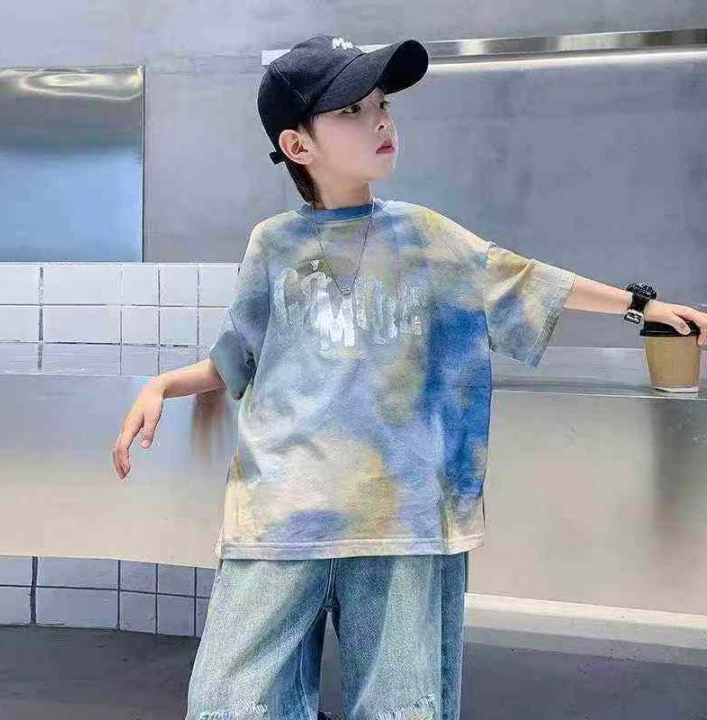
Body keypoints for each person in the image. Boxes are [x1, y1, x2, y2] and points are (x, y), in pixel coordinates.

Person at [112, 34, 707, 720]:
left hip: (404, 520)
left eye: (381, 104)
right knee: (229, 703)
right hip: (282, 513)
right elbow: (238, 356)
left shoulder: (426, 236)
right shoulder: (272, 243)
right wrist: (161, 385)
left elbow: (526, 280)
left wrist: (641, 306)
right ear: (297, 145)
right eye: (351, 111)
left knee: (402, 709)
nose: (380, 121)